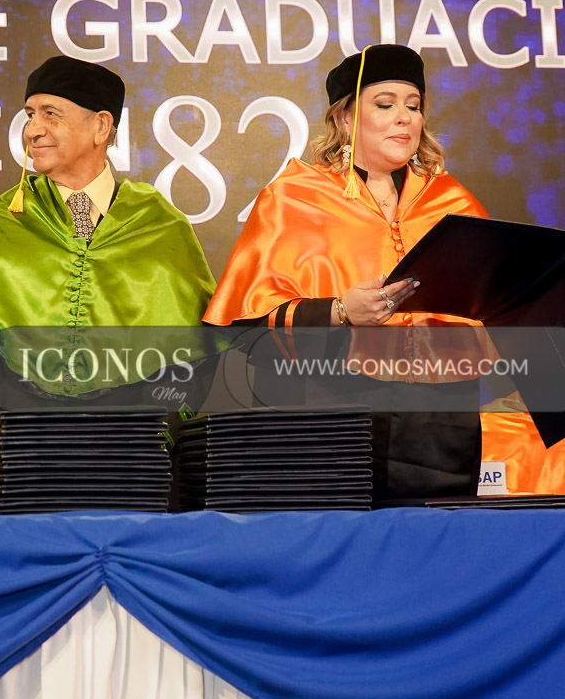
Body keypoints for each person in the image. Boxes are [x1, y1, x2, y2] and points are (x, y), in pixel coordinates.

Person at [204, 43, 488, 502]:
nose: (404, 118)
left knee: (435, 537)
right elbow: (246, 324)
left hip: (440, 423)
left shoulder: (454, 202)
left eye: (414, 106)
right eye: (385, 104)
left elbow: (496, 309)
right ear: (344, 117)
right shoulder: (296, 197)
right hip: (334, 414)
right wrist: (340, 311)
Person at [0, 55, 216, 508]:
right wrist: (31, 436)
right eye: (29, 114)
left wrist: (135, 434)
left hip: (135, 473)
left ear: (101, 126)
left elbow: (192, 359)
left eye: (51, 114)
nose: (33, 130)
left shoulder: (161, 228)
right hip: (19, 476)